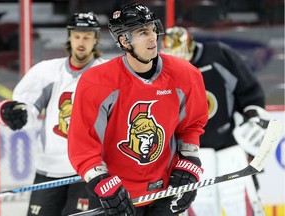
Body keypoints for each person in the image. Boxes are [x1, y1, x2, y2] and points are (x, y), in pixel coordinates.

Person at [68, 3, 208, 216]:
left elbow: (191, 126)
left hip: (164, 191)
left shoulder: (186, 74)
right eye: (143, 32)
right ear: (124, 40)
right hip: (117, 194)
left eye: (153, 29)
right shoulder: (96, 82)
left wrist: (189, 162)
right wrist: (101, 181)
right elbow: (83, 145)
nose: (153, 37)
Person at [0, 11, 107, 216]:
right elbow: (25, 108)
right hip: (48, 169)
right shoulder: (47, 71)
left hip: (88, 171)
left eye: (87, 36)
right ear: (69, 38)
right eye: (76, 36)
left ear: (95, 39)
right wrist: (10, 113)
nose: (81, 42)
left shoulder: (108, 74)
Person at [161, 26, 270, 216]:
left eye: (181, 53)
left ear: (191, 46)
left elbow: (249, 90)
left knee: (239, 201)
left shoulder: (218, 55)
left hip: (229, 144)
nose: (178, 58)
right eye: (172, 55)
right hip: (193, 152)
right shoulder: (163, 72)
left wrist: (254, 116)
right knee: (201, 204)